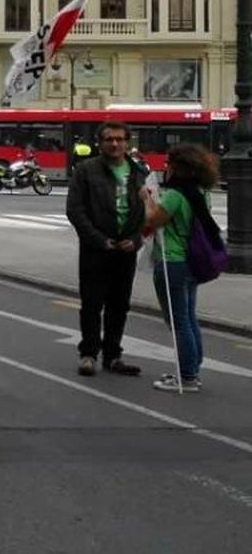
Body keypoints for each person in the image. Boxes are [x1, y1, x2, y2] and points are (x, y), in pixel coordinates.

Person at [65, 121, 146, 378]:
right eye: (109, 139)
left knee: (119, 304)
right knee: (91, 303)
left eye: (120, 139)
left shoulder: (138, 172)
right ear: (100, 143)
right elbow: (75, 210)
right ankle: (88, 353)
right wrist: (98, 239)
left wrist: (136, 240)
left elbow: (149, 212)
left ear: (127, 143)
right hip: (96, 248)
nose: (114, 143)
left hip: (126, 249)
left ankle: (113, 355)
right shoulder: (86, 171)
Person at [144, 144, 219, 394]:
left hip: (173, 260)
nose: (166, 168)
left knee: (179, 322)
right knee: (189, 317)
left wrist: (147, 199)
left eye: (169, 164)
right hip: (192, 262)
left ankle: (187, 376)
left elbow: (154, 221)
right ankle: (191, 368)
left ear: (178, 168)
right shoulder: (200, 192)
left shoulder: (175, 195)